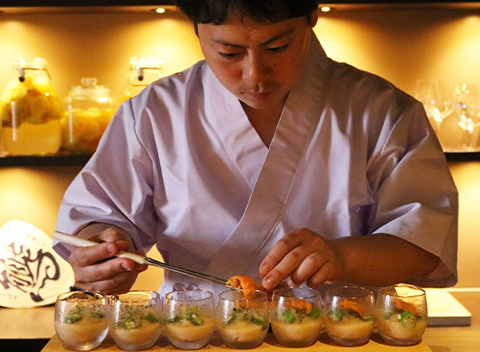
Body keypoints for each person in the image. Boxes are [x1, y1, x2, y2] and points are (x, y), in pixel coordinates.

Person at [53, 0, 458, 296]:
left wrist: (343, 257)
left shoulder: (381, 110)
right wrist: (103, 251)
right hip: (194, 329)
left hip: (339, 332)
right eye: (229, 52)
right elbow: (95, 222)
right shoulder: (154, 113)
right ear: (195, 30)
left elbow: (424, 242)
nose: (254, 74)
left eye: (277, 47)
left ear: (312, 16)